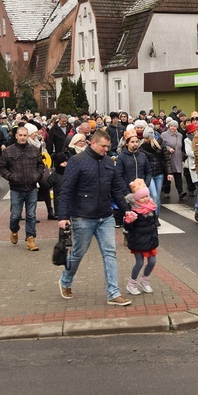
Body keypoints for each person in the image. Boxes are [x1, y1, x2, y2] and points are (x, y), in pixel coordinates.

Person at [58, 129, 133, 306]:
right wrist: (63, 216)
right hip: (82, 216)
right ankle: (65, 281)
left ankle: (113, 293)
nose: (106, 149)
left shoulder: (108, 162)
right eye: (103, 146)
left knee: (109, 253)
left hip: (105, 216)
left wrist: (126, 209)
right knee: (78, 253)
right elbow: (66, 190)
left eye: (108, 146)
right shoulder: (77, 161)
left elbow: (115, 189)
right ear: (93, 142)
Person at [0, 126, 46, 251]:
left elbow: (41, 165)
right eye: (20, 135)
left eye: (25, 135)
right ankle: (14, 230)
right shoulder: (9, 151)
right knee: (15, 215)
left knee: (31, 215)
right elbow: (2, 167)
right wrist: (11, 177)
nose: (23, 137)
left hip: (31, 187)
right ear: (16, 136)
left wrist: (37, 176)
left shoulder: (35, 150)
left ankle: (30, 239)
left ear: (28, 136)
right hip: (16, 188)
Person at [123, 179, 159, 296]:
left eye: (147, 196)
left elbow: (154, 224)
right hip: (138, 240)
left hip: (150, 239)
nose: (146, 199)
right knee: (139, 262)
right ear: (136, 198)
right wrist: (129, 221)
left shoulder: (151, 207)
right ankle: (132, 283)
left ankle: (145, 280)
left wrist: (155, 236)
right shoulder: (133, 211)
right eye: (143, 197)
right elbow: (128, 228)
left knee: (152, 261)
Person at [115, 129, 152, 227]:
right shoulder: (122, 157)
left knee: (143, 219)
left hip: (142, 193)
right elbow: (118, 175)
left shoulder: (142, 156)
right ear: (127, 143)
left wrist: (145, 186)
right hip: (128, 193)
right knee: (130, 219)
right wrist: (126, 191)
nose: (135, 144)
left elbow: (148, 172)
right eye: (132, 142)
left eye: (136, 142)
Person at [140, 126, 171, 220]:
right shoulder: (141, 147)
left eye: (146, 138)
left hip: (159, 173)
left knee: (157, 196)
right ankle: (153, 216)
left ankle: (156, 216)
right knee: (153, 194)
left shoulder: (160, 145)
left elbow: (166, 159)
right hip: (148, 174)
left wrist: (169, 173)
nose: (144, 140)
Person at [160, 120, 186, 199]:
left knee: (178, 176)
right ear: (169, 126)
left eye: (174, 126)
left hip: (178, 158)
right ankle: (167, 191)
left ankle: (180, 192)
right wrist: (168, 148)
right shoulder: (164, 135)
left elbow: (181, 146)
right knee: (168, 175)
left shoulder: (180, 135)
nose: (173, 128)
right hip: (168, 158)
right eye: (171, 126)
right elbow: (161, 145)